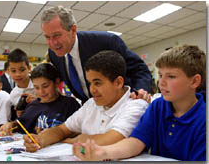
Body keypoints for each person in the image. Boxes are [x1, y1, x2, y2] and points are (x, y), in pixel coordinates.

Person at [73, 44, 206, 161]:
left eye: (171, 76)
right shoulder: (158, 106)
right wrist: (103, 152)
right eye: (160, 75)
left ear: (194, 81)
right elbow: (136, 142)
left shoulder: (204, 120)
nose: (161, 83)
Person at [23, 50, 149, 152]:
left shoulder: (136, 105)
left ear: (118, 82)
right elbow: (62, 130)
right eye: (90, 83)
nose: (92, 90)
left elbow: (113, 138)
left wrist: (79, 139)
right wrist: (39, 140)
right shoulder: (91, 104)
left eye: (97, 83)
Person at [41, 5, 151, 103]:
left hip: (123, 104)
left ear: (73, 30)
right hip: (91, 108)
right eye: (47, 37)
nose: (52, 43)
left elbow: (139, 69)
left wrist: (140, 90)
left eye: (57, 35)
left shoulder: (107, 42)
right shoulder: (54, 54)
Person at [0, 63, 81, 135]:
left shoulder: (70, 104)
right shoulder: (33, 105)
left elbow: (79, 131)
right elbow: (21, 124)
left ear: (56, 82)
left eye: (45, 86)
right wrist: (10, 125)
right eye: (36, 88)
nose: (41, 91)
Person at [7, 48, 37, 118]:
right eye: (13, 71)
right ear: (9, 71)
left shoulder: (39, 85)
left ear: (29, 68)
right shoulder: (13, 95)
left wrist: (39, 100)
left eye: (22, 70)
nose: (18, 74)